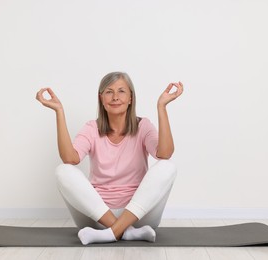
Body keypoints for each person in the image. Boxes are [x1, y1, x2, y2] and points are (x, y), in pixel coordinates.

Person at [36, 72, 183, 245]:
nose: (115, 97)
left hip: (139, 215)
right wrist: (59, 111)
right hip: (97, 216)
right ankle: (125, 231)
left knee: (167, 166)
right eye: (109, 92)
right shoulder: (92, 128)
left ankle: (113, 232)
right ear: (101, 98)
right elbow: (70, 159)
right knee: (63, 170)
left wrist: (162, 107)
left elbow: (164, 153)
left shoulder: (143, 126)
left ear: (130, 98)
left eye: (121, 91)